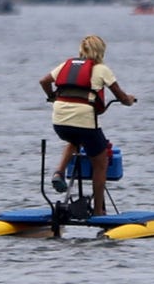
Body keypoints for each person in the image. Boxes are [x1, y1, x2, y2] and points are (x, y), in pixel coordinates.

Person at [40, 33, 142, 219]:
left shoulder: (66, 65)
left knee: (74, 140)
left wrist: (52, 97)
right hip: (84, 121)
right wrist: (129, 100)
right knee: (101, 160)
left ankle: (59, 172)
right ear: (100, 51)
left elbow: (44, 81)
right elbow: (120, 95)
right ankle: (98, 211)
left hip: (60, 120)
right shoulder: (102, 69)